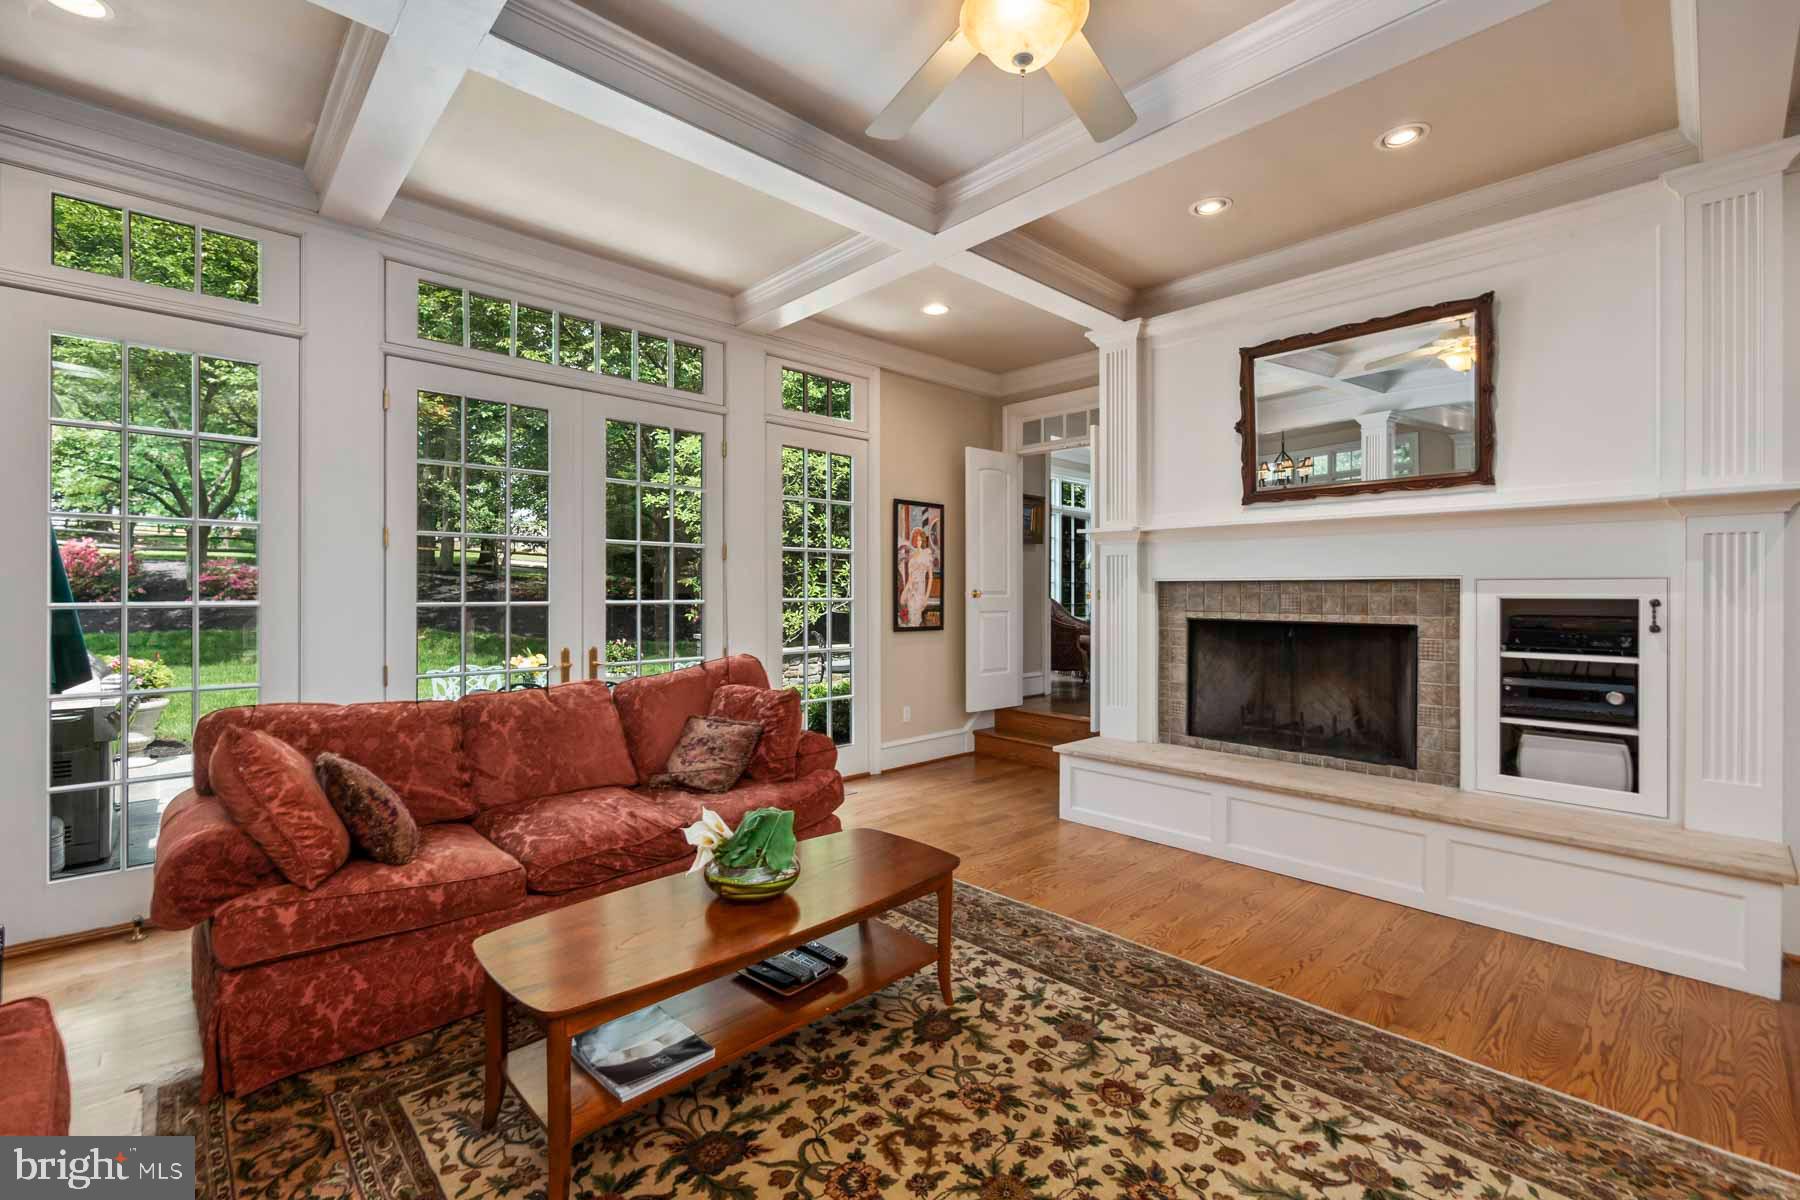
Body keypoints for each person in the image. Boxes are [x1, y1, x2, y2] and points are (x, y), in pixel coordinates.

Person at [897, 520, 938, 627]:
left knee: (916, 617)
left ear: (923, 540)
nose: (917, 541)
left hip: (920, 589)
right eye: (915, 539)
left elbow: (930, 578)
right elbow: (910, 576)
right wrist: (906, 588)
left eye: (919, 539)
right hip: (910, 587)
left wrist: (926, 597)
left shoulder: (927, 554)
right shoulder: (911, 555)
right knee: (905, 607)